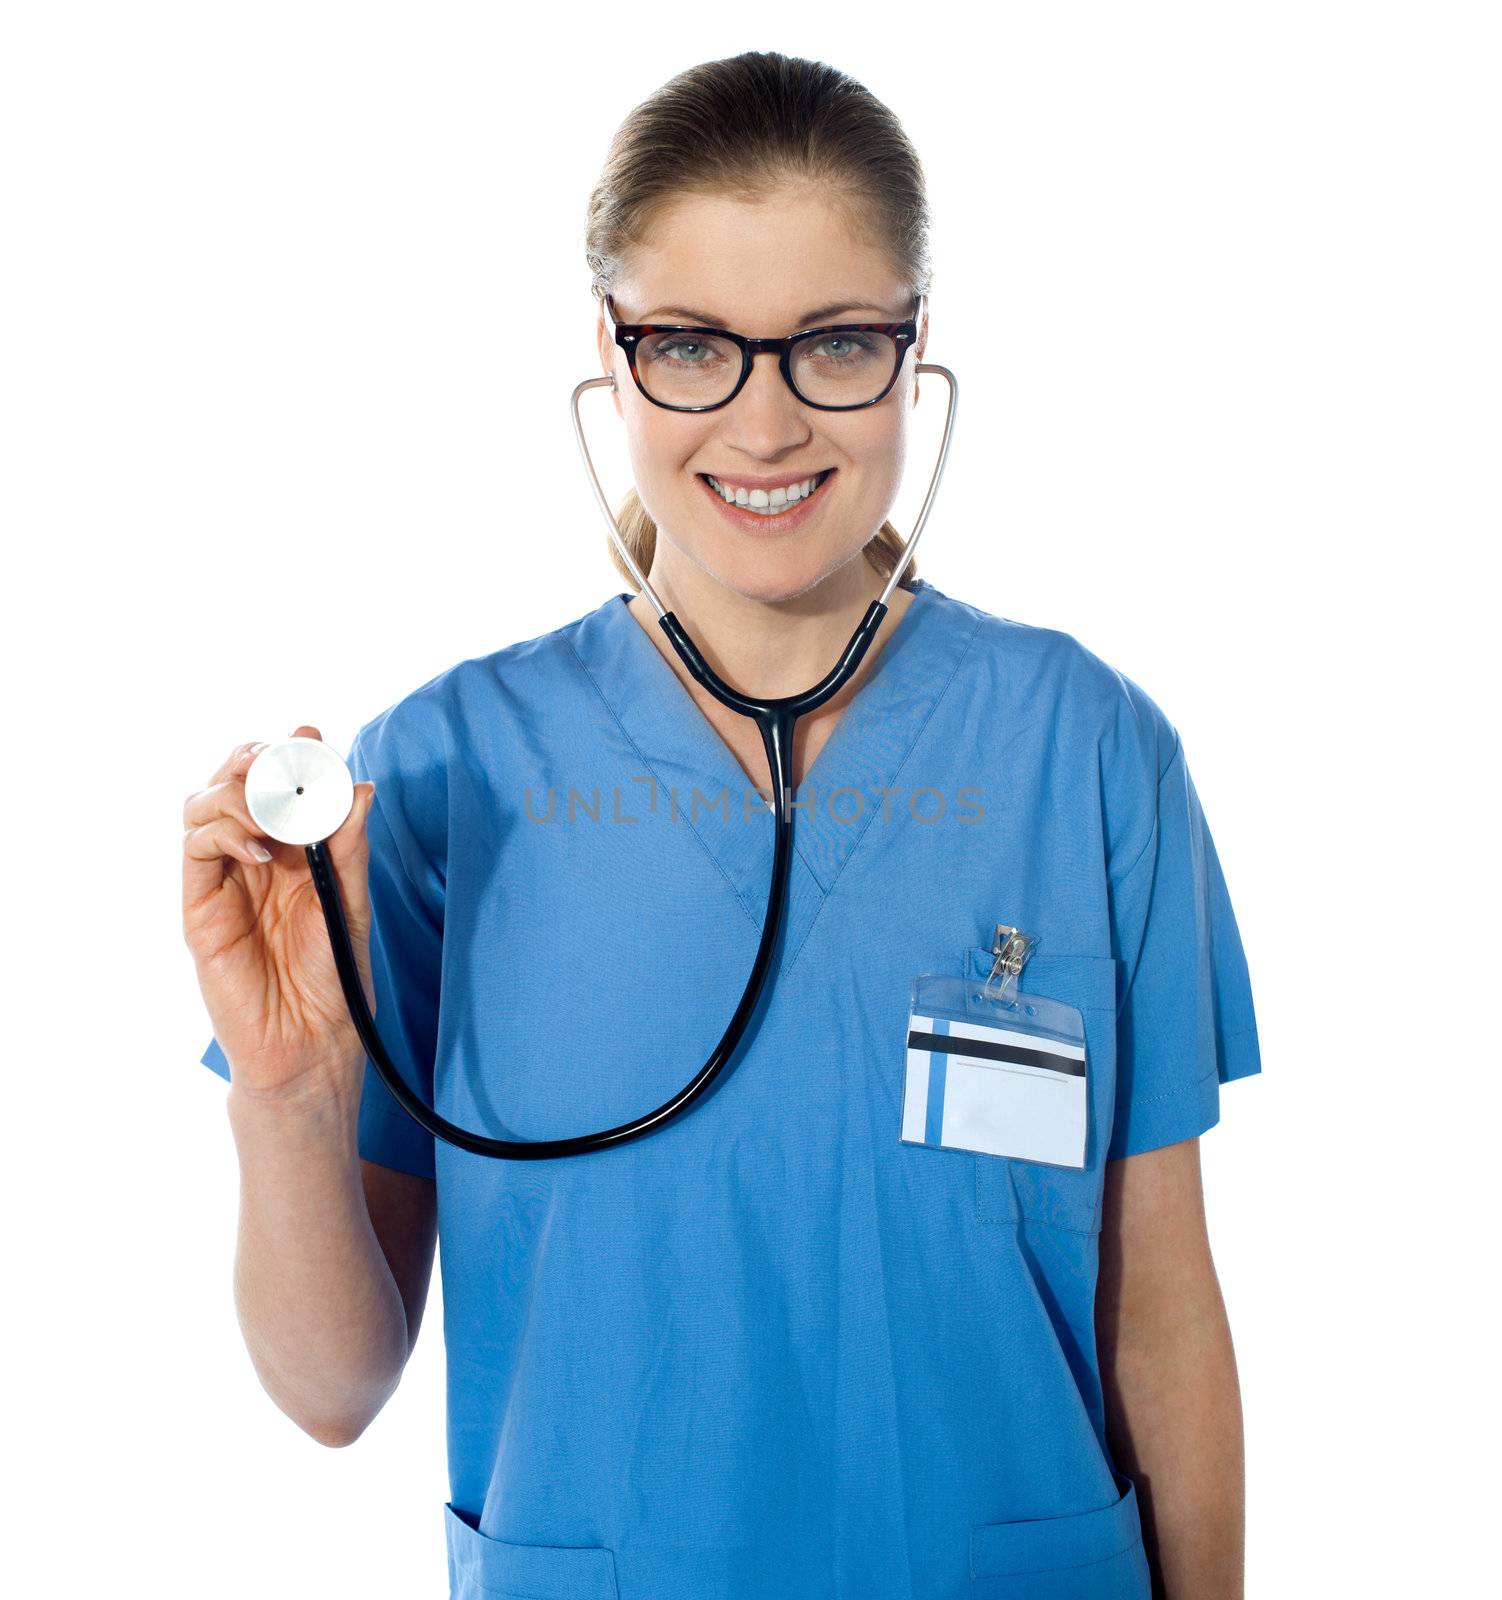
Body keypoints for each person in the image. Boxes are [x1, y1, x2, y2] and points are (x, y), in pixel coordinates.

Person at [182, 50, 1261, 1600]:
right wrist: (285, 1101)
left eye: (832, 343)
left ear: (911, 349)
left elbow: (1156, 1310)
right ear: (612, 358)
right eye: (690, 345)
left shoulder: (1084, 751)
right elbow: (330, 1392)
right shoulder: (433, 782)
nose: (762, 426)